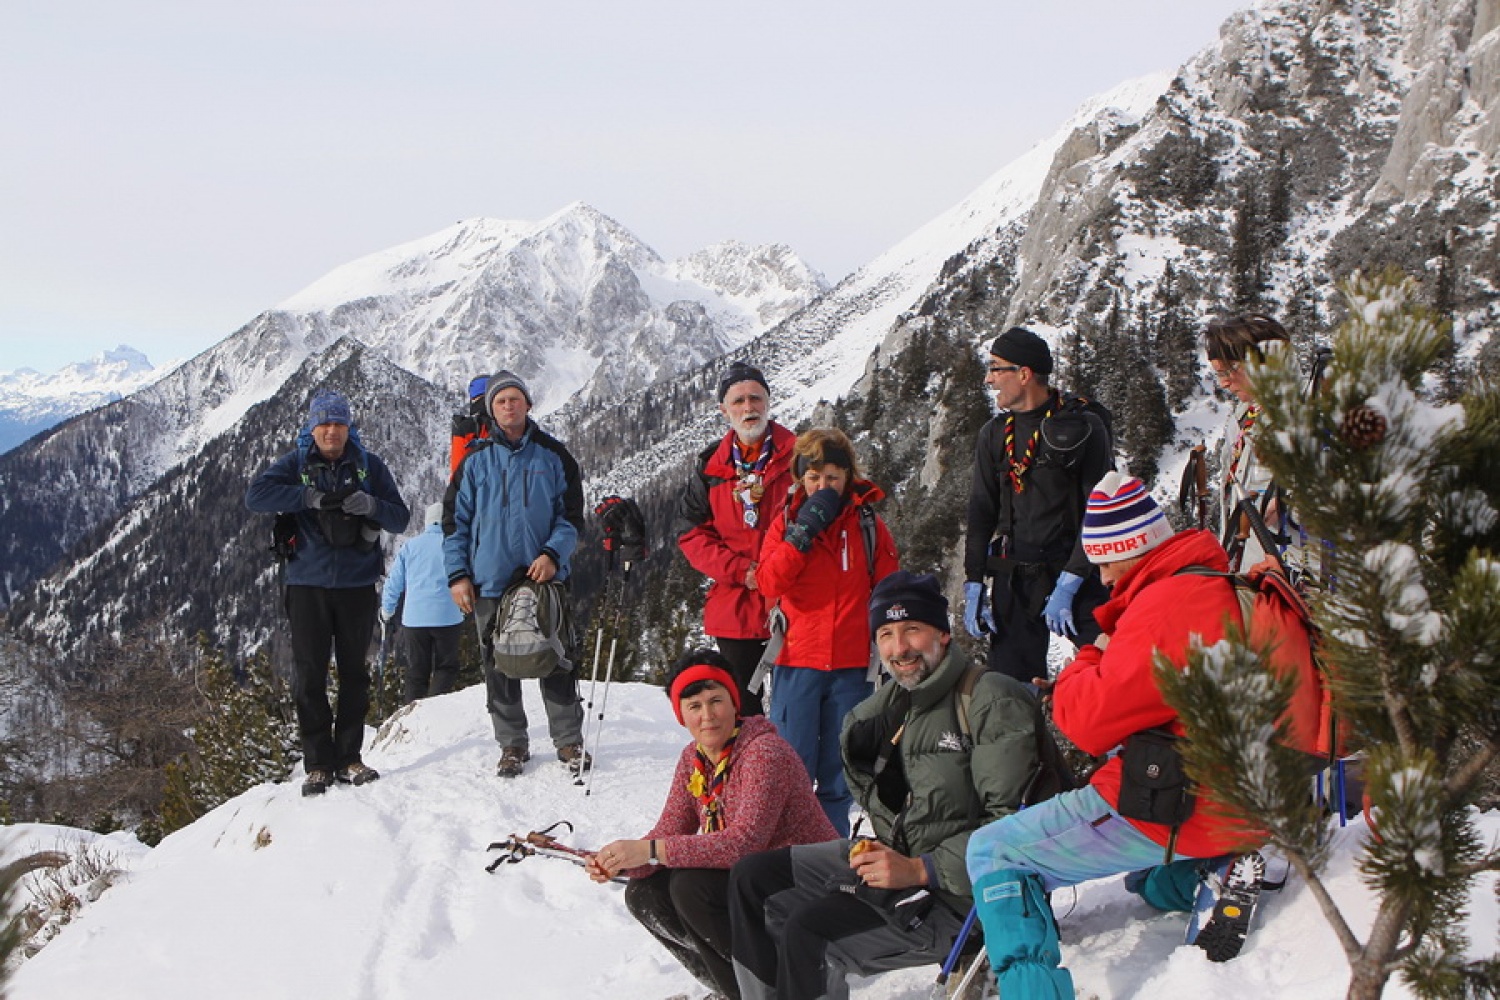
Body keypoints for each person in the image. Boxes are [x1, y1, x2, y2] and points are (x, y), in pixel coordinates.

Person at [964, 472, 1263, 997]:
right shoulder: (1220, 584)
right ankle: (1205, 877)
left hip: (1182, 801)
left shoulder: (1164, 605)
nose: (1101, 578)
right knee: (1141, 879)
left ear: (1134, 550)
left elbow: (1088, 725)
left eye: (1105, 561)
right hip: (1247, 796)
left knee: (995, 852)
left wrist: (1093, 652)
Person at [728, 571, 1068, 1000]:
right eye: (886, 633)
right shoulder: (881, 712)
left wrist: (920, 868)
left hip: (967, 895)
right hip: (903, 864)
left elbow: (1013, 832)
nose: (899, 648)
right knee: (753, 878)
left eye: (912, 629)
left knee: (810, 932)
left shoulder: (989, 700)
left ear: (943, 635)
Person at [587, 650, 837, 1000]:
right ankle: (734, 988)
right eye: (694, 706)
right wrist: (619, 861)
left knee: (692, 887)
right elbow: (669, 832)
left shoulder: (764, 753)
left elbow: (744, 843)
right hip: (756, 883)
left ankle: (774, 988)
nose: (707, 716)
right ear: (681, 715)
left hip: (808, 883)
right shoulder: (693, 759)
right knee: (645, 895)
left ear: (734, 703)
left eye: (715, 701)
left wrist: (651, 851)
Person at [245, 389, 410, 796]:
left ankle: (349, 757)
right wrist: (307, 497)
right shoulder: (297, 465)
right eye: (324, 424)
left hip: (357, 585)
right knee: (310, 676)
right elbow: (256, 496)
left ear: (348, 427)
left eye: (338, 424)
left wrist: (369, 505)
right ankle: (318, 763)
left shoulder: (369, 466)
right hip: (306, 585)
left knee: (355, 674)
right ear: (312, 428)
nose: (331, 431)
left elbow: (400, 517)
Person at [443, 370, 588, 778]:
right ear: (491, 409)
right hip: (488, 579)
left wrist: (552, 555)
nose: (509, 405)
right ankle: (512, 745)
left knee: (556, 657)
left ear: (528, 403)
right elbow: (456, 524)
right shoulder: (474, 460)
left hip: (544, 576)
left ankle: (568, 741)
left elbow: (571, 518)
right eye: (501, 400)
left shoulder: (553, 455)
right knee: (498, 664)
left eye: (515, 398)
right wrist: (458, 575)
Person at [755, 427, 899, 835]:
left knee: (840, 774)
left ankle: (828, 852)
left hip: (852, 667)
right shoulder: (785, 524)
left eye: (833, 477)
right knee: (792, 768)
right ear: (800, 478)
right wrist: (801, 535)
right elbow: (768, 583)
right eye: (814, 477)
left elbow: (888, 590)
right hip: (796, 661)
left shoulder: (869, 526)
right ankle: (787, 855)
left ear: (848, 477)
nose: (824, 486)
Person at [963, 326, 1114, 686]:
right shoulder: (995, 434)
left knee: (1111, 669)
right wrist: (973, 581)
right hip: (1014, 578)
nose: (989, 379)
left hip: (1074, 574)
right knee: (1011, 693)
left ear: (1024, 373)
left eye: (996, 368)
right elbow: (981, 511)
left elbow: (1099, 508)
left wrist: (1073, 579)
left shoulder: (1084, 427)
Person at [675, 361, 797, 716]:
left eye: (756, 398)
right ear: (723, 410)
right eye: (739, 400)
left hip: (794, 602)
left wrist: (782, 568)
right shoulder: (709, 465)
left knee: (795, 708)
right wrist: (741, 571)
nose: (749, 408)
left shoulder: (802, 456)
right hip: (736, 606)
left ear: (768, 401)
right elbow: (691, 532)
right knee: (743, 711)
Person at [1204, 313, 1297, 573]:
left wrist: (1295, 506)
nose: (1223, 382)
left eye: (1229, 370)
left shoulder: (1308, 419)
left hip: (1292, 577)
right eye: (1217, 373)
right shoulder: (1244, 415)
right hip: (1249, 569)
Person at [381, 501, 465, 702]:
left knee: (416, 672)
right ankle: (435, 708)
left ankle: (413, 715)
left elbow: (394, 583)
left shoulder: (411, 546)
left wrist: (387, 610)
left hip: (415, 619)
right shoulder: (456, 544)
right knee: (446, 667)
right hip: (448, 617)